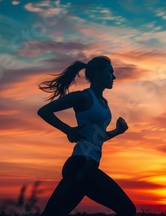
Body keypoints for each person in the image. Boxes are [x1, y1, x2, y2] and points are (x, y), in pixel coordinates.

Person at [37, 56, 136, 216]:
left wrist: (117, 132)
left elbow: (97, 138)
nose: (114, 76)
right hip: (81, 165)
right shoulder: (83, 97)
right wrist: (68, 130)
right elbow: (44, 111)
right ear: (97, 73)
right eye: (110, 72)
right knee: (128, 210)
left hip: (88, 166)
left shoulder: (104, 103)